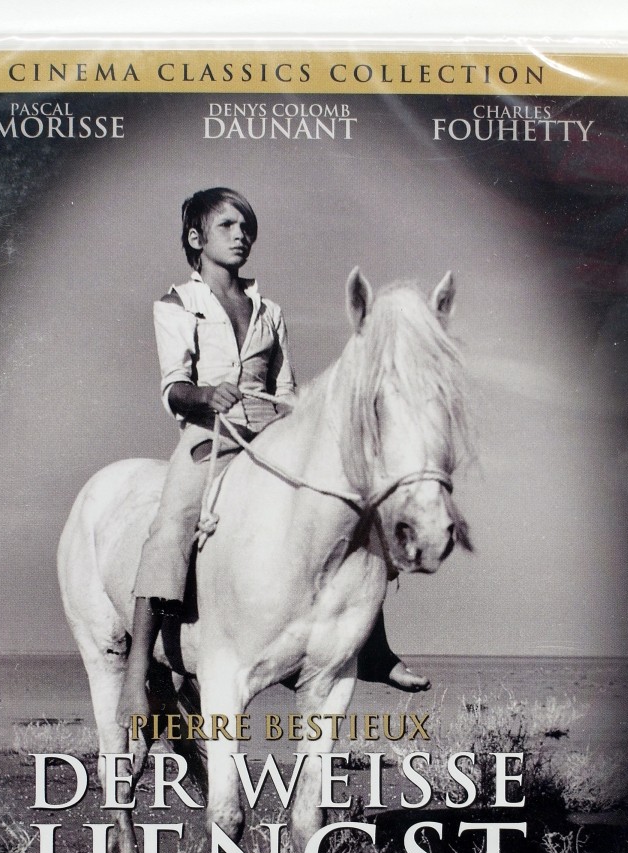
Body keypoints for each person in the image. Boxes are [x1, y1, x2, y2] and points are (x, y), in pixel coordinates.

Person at [117, 187, 428, 727]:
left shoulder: (270, 311)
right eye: (227, 226)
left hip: (271, 438)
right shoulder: (176, 305)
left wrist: (301, 419)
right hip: (208, 440)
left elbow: (286, 389)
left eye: (247, 228)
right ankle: (136, 673)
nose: (241, 236)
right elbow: (174, 387)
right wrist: (205, 395)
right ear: (196, 238)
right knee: (171, 527)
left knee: (356, 512)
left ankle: (373, 648)